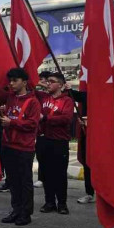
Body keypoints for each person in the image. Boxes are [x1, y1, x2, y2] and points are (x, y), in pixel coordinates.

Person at [0, 68, 41, 226]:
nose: (11, 84)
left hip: (24, 147)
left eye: (15, 81)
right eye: (10, 81)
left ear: (24, 82)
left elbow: (32, 124)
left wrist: (12, 123)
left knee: (24, 181)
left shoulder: (33, 101)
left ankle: (26, 213)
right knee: (12, 180)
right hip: (8, 145)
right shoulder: (11, 97)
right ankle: (16, 209)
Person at [34, 72, 75, 215]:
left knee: (59, 174)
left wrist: (45, 118)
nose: (48, 83)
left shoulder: (67, 101)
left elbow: (66, 119)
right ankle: (49, 201)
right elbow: (29, 86)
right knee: (45, 172)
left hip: (59, 142)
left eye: (52, 81)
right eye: (47, 81)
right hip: (43, 140)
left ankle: (62, 203)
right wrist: (40, 83)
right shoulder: (43, 96)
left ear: (61, 85)